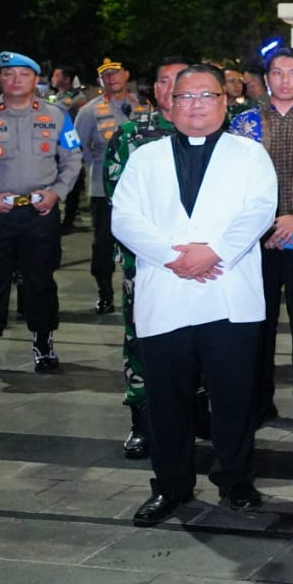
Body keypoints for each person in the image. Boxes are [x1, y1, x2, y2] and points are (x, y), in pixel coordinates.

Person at [112, 64, 279, 525]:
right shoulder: (145, 158)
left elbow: (260, 209)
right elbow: (123, 217)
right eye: (185, 97)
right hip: (166, 290)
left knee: (234, 397)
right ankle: (171, 486)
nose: (196, 106)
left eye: (206, 96)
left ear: (225, 103)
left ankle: (237, 481)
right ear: (170, 104)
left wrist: (214, 252)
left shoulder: (249, 155)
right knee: (167, 399)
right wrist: (173, 256)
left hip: (227, 290)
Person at [0, 51, 82, 380]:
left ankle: (44, 346)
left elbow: (72, 159)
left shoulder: (57, 116)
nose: (16, 80)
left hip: (40, 212)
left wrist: (57, 193)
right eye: (9, 74)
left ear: (36, 80)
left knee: (41, 283)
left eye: (24, 74)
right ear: (0, 80)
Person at [229, 47, 293, 428]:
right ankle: (260, 401)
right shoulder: (243, 124)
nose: (284, 79)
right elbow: (234, 181)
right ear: (267, 77)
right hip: (256, 240)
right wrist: (266, 223)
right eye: (277, 72)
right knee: (261, 321)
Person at [103, 54, 191, 458]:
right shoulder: (131, 135)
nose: (174, 89)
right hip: (146, 261)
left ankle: (195, 413)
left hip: (201, 263)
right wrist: (160, 248)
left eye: (182, 81)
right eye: (166, 81)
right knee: (141, 339)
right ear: (155, 90)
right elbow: (121, 203)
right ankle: (142, 420)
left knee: (197, 339)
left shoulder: (218, 133)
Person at [74, 57, 148, 314]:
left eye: (116, 73)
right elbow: (77, 147)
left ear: (126, 74)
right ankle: (104, 292)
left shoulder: (144, 107)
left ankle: (140, 290)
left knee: (141, 240)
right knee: (103, 243)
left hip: (141, 189)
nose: (111, 78)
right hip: (103, 189)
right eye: (106, 75)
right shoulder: (89, 111)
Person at [47, 66, 89, 231]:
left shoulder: (78, 99)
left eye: (56, 75)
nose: (52, 78)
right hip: (57, 146)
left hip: (71, 146)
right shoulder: (59, 96)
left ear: (66, 79)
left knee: (72, 184)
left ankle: (69, 221)